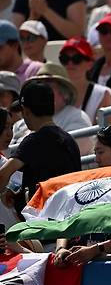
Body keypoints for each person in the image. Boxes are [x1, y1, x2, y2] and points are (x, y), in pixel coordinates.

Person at [56, 124, 111, 266]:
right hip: (85, 269)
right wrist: (61, 249)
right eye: (95, 153)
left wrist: (95, 250)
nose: (96, 159)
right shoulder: (91, 185)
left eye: (100, 152)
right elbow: (66, 222)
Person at [0, 81, 81, 218]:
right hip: (68, 219)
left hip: (43, 225)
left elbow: (3, 174)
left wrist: (3, 193)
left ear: (26, 111)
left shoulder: (33, 141)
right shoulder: (69, 140)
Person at [10, 62, 93, 155]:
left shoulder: (78, 117)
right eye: (38, 85)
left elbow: (61, 156)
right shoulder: (21, 124)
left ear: (64, 92)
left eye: (47, 86)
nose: (40, 91)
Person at [58, 37, 111, 124]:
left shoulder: (102, 94)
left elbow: (106, 133)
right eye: (65, 59)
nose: (70, 63)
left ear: (90, 64)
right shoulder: (54, 92)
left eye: (77, 59)